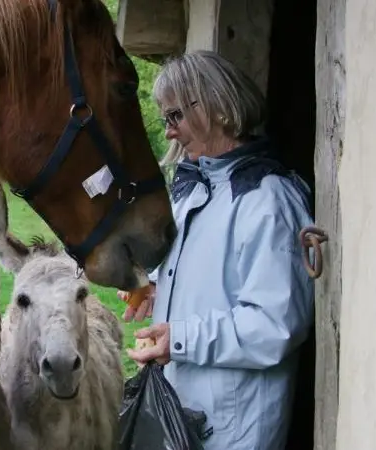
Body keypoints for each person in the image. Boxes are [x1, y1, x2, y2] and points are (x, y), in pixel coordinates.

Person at [118, 50, 315, 450]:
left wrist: (179, 339)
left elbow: (275, 325)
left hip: (234, 432)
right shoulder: (195, 190)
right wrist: (156, 288)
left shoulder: (267, 200)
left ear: (219, 107)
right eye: (165, 119)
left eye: (176, 116)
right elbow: (208, 279)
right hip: (186, 419)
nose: (169, 131)